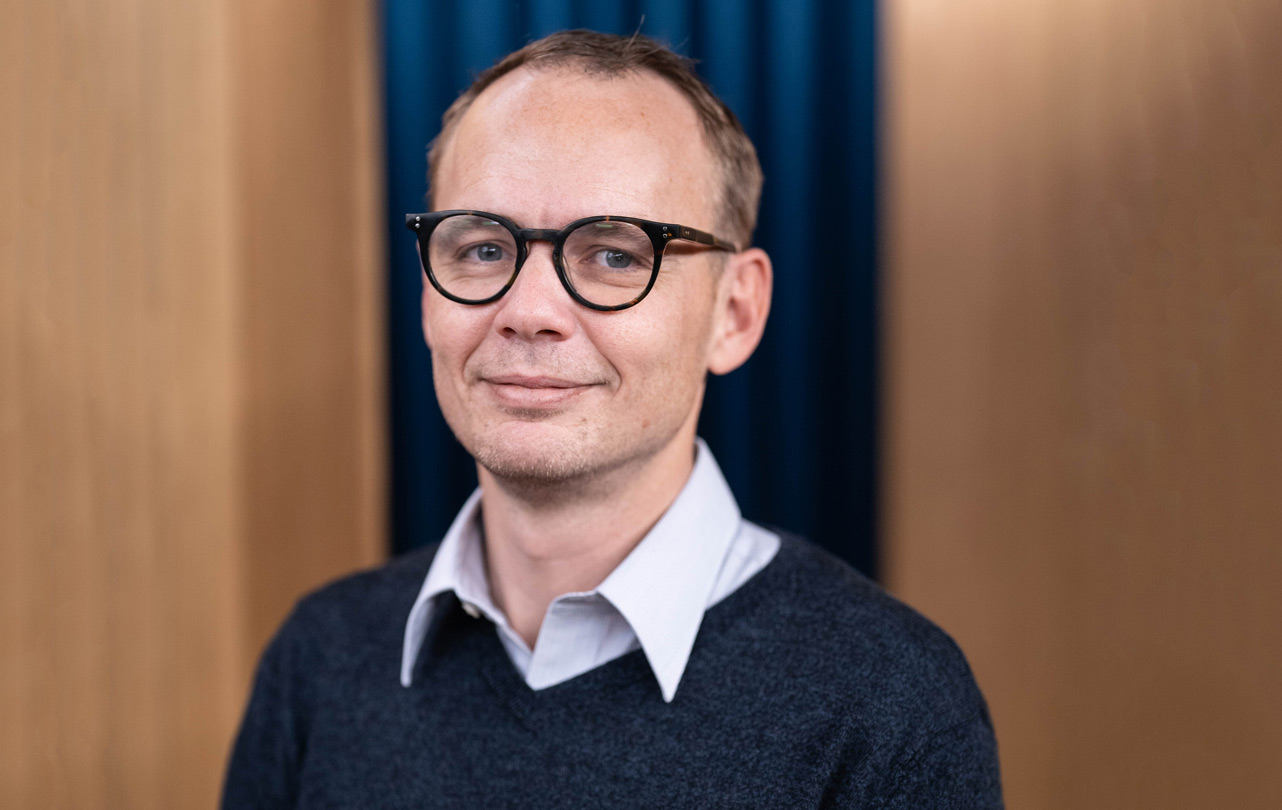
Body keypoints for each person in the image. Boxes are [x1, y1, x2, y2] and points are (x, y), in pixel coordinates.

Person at [222, 29, 1002, 809]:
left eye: (615, 255)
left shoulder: (891, 707)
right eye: (484, 249)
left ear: (735, 312)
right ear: (429, 296)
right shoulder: (318, 662)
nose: (528, 311)